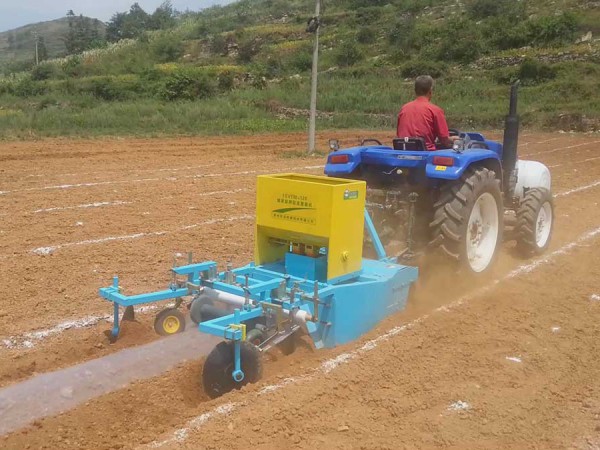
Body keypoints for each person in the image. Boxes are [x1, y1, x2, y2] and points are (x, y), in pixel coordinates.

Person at [396, 75, 458, 150]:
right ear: (430, 91)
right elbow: (444, 140)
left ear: (415, 91)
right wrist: (453, 139)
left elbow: (399, 134)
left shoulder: (404, 109)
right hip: (425, 152)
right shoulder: (435, 110)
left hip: (404, 151)